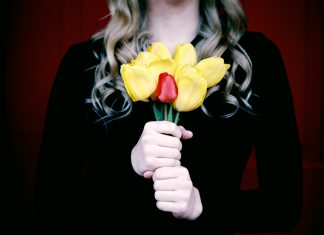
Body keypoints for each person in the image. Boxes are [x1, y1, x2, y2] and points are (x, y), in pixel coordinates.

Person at [35, 0, 303, 234]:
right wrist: (129, 166)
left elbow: (284, 207)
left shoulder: (255, 59)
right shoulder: (84, 63)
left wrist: (203, 207)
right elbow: (51, 207)